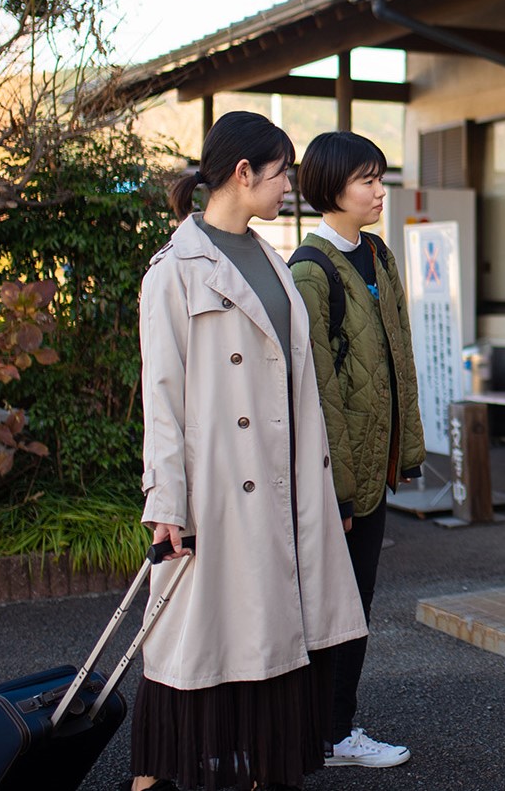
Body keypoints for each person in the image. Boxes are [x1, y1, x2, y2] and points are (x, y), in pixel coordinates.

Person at [131, 112, 366, 791]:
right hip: (220, 489)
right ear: (243, 173)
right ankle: (152, 782)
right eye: (282, 171)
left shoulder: (269, 258)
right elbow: (163, 402)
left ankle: (268, 774)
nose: (290, 184)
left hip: (285, 483)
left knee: (275, 643)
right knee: (191, 646)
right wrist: (166, 501)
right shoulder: (173, 272)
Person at [287, 131, 427, 769]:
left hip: (377, 466)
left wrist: (407, 449)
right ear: (330, 188)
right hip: (345, 481)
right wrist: (339, 490)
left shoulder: (379, 253)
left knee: (357, 605)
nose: (379, 191)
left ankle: (330, 730)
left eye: (380, 178)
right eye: (366, 180)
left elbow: (398, 358)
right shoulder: (309, 272)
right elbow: (319, 395)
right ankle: (329, 734)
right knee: (332, 612)